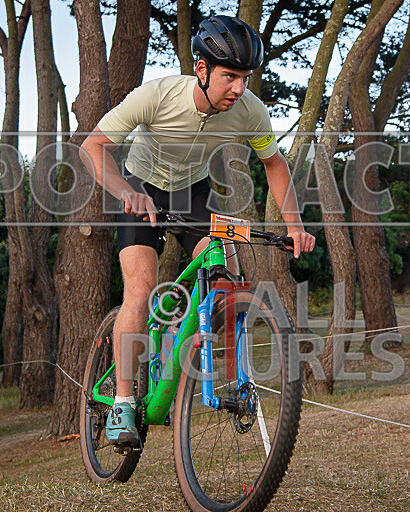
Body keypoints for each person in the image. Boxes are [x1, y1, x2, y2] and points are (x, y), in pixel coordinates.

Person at [80, 16, 315, 446]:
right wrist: (124, 192)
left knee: (222, 272)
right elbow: (92, 147)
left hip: (193, 195)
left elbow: (275, 164)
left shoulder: (249, 111)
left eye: (245, 79)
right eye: (229, 77)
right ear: (202, 70)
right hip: (141, 190)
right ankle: (124, 402)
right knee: (140, 290)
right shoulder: (157, 95)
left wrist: (294, 225)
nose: (239, 89)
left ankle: (192, 357)